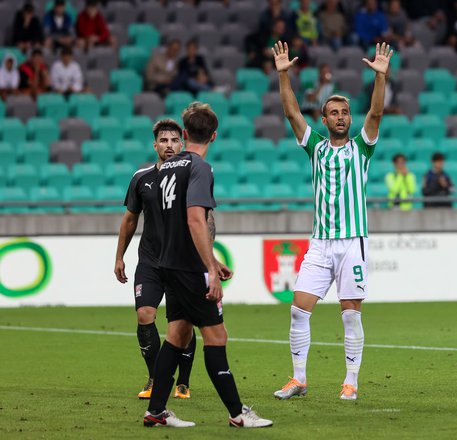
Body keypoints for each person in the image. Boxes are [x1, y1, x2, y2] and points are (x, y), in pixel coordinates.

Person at [272, 41, 392, 401]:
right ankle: (299, 379)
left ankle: (350, 381)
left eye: (345, 112)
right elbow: (293, 113)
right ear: (323, 120)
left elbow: (377, 114)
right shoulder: (315, 149)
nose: (340, 116)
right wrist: (282, 75)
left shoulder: (362, 148)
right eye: (333, 112)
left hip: (352, 242)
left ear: (350, 118)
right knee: (298, 310)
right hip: (321, 243)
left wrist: (380, 79)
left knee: (350, 315)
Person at [143, 103, 272, 429]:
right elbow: (195, 220)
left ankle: (156, 410)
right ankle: (238, 414)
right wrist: (210, 270)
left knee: (177, 334)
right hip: (189, 269)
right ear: (214, 135)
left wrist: (212, 260)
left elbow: (173, 223)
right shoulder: (200, 167)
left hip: (168, 264)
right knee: (217, 336)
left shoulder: (166, 168)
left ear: (184, 135)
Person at [115, 120, 197, 401]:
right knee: (144, 315)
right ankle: (155, 376)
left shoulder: (190, 176)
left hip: (181, 261)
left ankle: (183, 382)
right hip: (149, 261)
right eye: (164, 141)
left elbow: (204, 218)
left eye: (175, 140)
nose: (170, 145)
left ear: (182, 143)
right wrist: (119, 257)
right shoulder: (141, 178)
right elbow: (129, 219)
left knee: (183, 321)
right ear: (155, 145)